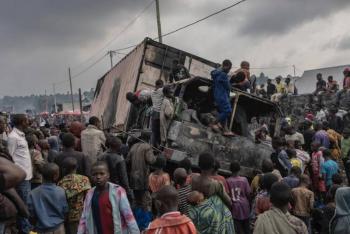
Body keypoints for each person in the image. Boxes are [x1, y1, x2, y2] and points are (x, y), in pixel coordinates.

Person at [78, 161, 139, 234]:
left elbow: (128, 216)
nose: (98, 177)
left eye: (102, 174)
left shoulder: (118, 191)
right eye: (95, 174)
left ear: (108, 175)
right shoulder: (90, 194)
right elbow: (84, 217)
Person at [7, 114, 32, 234]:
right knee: (23, 205)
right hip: (21, 178)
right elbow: (10, 157)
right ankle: (25, 230)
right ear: (22, 122)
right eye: (27, 120)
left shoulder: (21, 135)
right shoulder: (13, 137)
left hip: (26, 176)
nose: (28, 122)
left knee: (26, 203)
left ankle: (25, 227)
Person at [28, 163, 69, 234]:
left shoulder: (33, 193)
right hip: (59, 228)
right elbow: (65, 211)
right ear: (55, 176)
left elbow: (31, 215)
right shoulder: (60, 191)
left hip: (41, 229)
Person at [58, 158, 91, 234]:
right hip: (84, 213)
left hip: (70, 216)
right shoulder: (84, 179)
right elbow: (88, 197)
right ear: (77, 167)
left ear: (64, 169)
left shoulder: (61, 183)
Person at [126, 137, 156, 212]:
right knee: (145, 200)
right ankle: (146, 217)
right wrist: (156, 157)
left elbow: (127, 160)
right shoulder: (147, 147)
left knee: (137, 199)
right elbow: (151, 160)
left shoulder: (134, 146)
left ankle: (137, 216)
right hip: (142, 177)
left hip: (133, 177)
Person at [226, 160, 251, 234]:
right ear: (239, 169)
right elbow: (248, 193)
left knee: (237, 229)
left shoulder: (227, 181)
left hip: (235, 207)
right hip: (244, 206)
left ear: (230, 169)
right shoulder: (244, 180)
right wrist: (249, 203)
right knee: (247, 227)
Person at [211, 59, 234, 136]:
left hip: (217, 95)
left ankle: (225, 130)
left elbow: (212, 73)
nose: (229, 70)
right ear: (224, 66)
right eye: (229, 68)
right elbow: (228, 87)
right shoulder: (223, 75)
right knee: (228, 111)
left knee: (223, 112)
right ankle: (214, 123)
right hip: (222, 96)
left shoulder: (216, 73)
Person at [150, 79, 164, 148]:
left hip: (153, 113)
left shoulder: (152, 92)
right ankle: (158, 145)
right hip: (159, 113)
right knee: (160, 131)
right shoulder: (161, 90)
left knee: (154, 131)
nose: (163, 86)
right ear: (160, 85)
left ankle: (152, 145)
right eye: (162, 85)